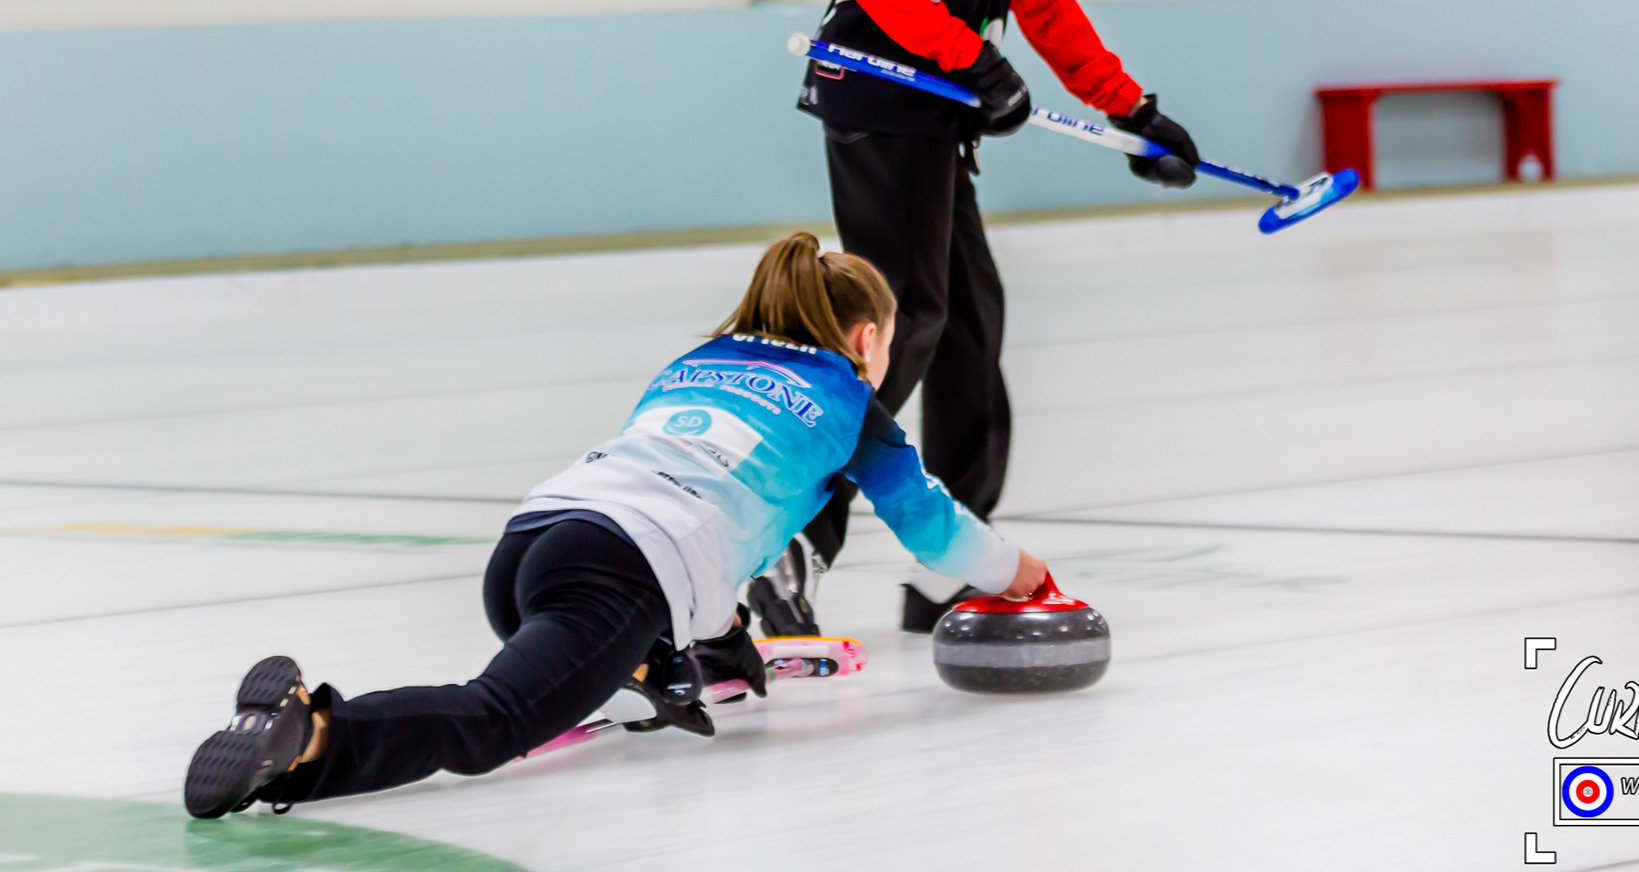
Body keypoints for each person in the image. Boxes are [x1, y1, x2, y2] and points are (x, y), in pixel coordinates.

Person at [182, 233, 1049, 819]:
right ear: (866, 339)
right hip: (622, 570)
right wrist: (1020, 575)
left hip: (537, 539)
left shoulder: (704, 357)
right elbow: (932, 527)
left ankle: (646, 656)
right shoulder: (854, 405)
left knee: (634, 627)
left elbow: (702, 494)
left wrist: (717, 633)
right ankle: (306, 738)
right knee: (492, 722)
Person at [770, 0, 1200, 636]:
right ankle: (791, 541)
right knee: (908, 314)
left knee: (970, 324)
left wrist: (1131, 110)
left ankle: (954, 560)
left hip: (938, 103)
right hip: (881, 90)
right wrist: (970, 60)